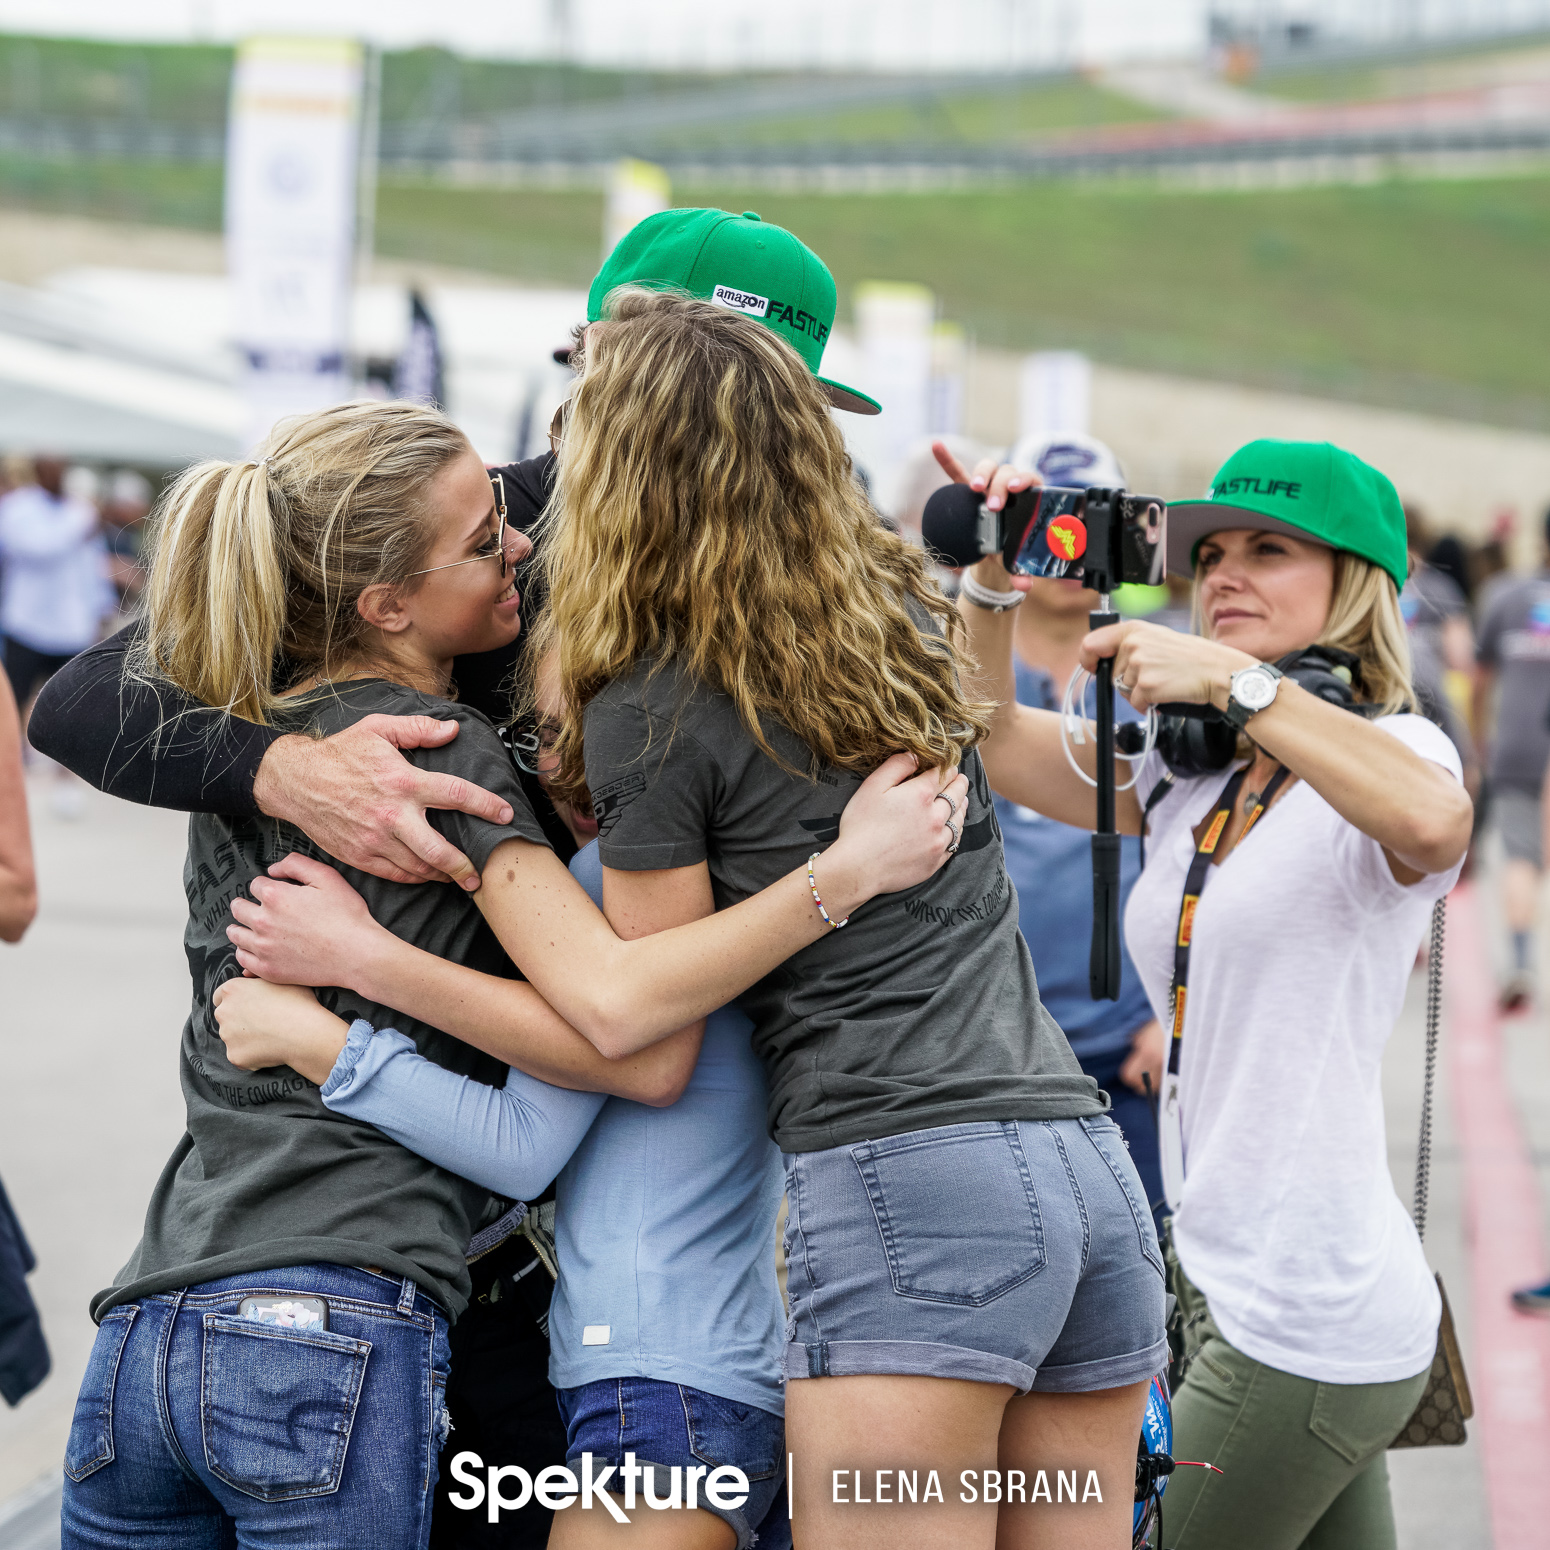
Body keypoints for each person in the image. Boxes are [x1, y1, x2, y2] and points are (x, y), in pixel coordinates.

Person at [59, 398, 960, 1550]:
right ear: (387, 604)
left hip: (150, 1317)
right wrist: (842, 873)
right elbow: (625, 1030)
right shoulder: (437, 747)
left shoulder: (228, 740)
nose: (521, 550)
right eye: (488, 542)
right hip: (338, 1306)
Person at [532, 287, 1167, 1550]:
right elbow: (989, 720)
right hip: (1082, 1169)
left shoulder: (651, 699)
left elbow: (656, 1000)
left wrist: (834, 878)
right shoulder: (887, 615)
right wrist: (985, 586)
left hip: (909, 1183)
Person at [953, 437, 1472, 1549]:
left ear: (1355, 584)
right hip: (1214, 1275)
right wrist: (993, 574)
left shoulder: (1393, 747)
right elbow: (989, 734)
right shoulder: (1190, 769)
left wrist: (1241, 683)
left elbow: (1433, 825)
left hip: (1300, 1311)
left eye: (1268, 549)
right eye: (1211, 552)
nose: (1223, 573)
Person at [969, 432, 1164, 1218]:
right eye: (1047, 516)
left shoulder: (1164, 674)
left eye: (1089, 517)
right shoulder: (960, 659)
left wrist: (1170, 1021)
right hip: (994, 1045)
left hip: (1127, 1054)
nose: (1068, 542)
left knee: (1149, 1290)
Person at [0, 455, 112, 817]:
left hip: (71, 627)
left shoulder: (78, 510)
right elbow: (37, 549)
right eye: (51, 467)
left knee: (71, 709)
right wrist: (82, 523)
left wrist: (100, 608)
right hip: (27, 624)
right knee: (12, 703)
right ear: (37, 470)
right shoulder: (18, 508)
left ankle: (65, 783)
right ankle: (10, 778)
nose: (58, 473)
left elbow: (89, 565)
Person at [1472, 504, 1550, 1010]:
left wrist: (1481, 742)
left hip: (1518, 747)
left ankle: (1520, 961)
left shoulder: (1506, 595)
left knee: (1521, 857)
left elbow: (1480, 684)